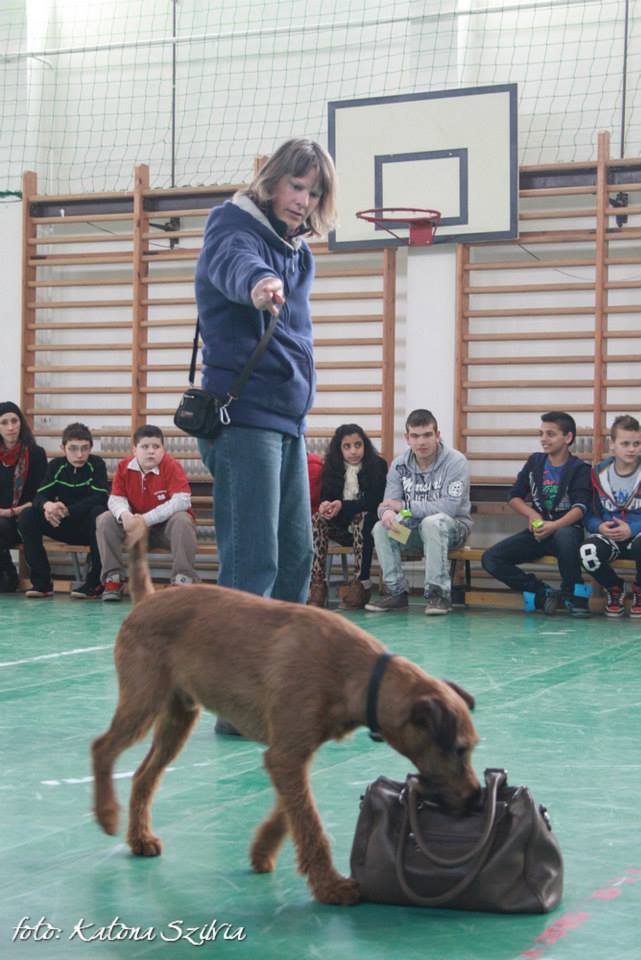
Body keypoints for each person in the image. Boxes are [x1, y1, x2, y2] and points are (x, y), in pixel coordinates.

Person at [194, 138, 337, 734]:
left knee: (296, 557)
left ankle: (274, 686)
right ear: (271, 181)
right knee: (252, 561)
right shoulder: (235, 226)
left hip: (286, 422)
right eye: (295, 186)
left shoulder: (297, 253)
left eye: (314, 192)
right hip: (243, 418)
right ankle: (234, 704)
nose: (302, 201)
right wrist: (256, 285)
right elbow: (234, 262)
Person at [481, 411, 592, 616]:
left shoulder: (580, 468)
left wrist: (555, 525)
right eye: (541, 433)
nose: (543, 439)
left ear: (568, 438)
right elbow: (514, 496)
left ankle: (573, 596)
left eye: (550, 434)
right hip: (539, 532)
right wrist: (532, 515)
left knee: (566, 535)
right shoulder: (535, 462)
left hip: (566, 532)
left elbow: (581, 508)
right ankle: (542, 591)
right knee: (491, 558)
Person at [365, 409, 472, 616]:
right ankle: (396, 592)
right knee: (381, 528)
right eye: (415, 436)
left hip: (452, 531)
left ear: (437, 435)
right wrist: (386, 513)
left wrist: (404, 507)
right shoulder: (399, 464)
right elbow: (388, 503)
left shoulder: (455, 461)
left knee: (432, 523)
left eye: (427, 435)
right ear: (407, 438)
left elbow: (448, 508)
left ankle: (438, 594)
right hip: (414, 535)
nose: (421, 442)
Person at [95, 425, 198, 601]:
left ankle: (183, 580)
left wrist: (144, 520)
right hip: (134, 532)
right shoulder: (124, 466)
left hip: (164, 531)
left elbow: (182, 500)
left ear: (163, 449)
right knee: (105, 519)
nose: (151, 451)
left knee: (183, 519)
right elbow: (115, 499)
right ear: (134, 450)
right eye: (145, 447)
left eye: (156, 447)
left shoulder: (171, 466)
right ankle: (113, 579)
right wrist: (125, 516)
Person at [17, 422, 109, 598]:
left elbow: (101, 497)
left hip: (88, 528)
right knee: (28, 515)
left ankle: (94, 583)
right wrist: (48, 506)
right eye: (73, 448)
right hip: (61, 523)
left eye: (84, 448)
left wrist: (68, 510)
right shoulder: (56, 466)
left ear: (91, 448)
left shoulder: (96, 464)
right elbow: (39, 496)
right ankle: (42, 583)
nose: (80, 454)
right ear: (63, 448)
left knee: (99, 513)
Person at [307, 424, 387, 609]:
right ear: (339, 448)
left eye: (358, 445)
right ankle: (318, 583)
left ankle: (360, 583)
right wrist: (325, 504)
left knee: (362, 517)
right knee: (317, 519)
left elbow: (375, 502)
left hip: (365, 529)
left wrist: (342, 505)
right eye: (347, 446)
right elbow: (326, 495)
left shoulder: (377, 465)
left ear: (365, 445)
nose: (353, 451)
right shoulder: (331, 467)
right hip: (340, 526)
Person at [579, 415, 641, 618]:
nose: (632, 449)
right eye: (625, 443)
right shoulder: (598, 473)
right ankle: (614, 588)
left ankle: (640, 590)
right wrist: (599, 527)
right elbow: (589, 512)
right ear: (612, 444)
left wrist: (632, 528)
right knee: (587, 552)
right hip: (610, 536)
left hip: (637, 536)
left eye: (637, 443)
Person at [0, 402, 48, 593]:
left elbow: (41, 494)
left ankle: (8, 574)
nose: (10, 427)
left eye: (14, 421)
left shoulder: (35, 454)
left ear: (21, 423)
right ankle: (7, 571)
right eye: (4, 422)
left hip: (25, 515)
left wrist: (10, 512)